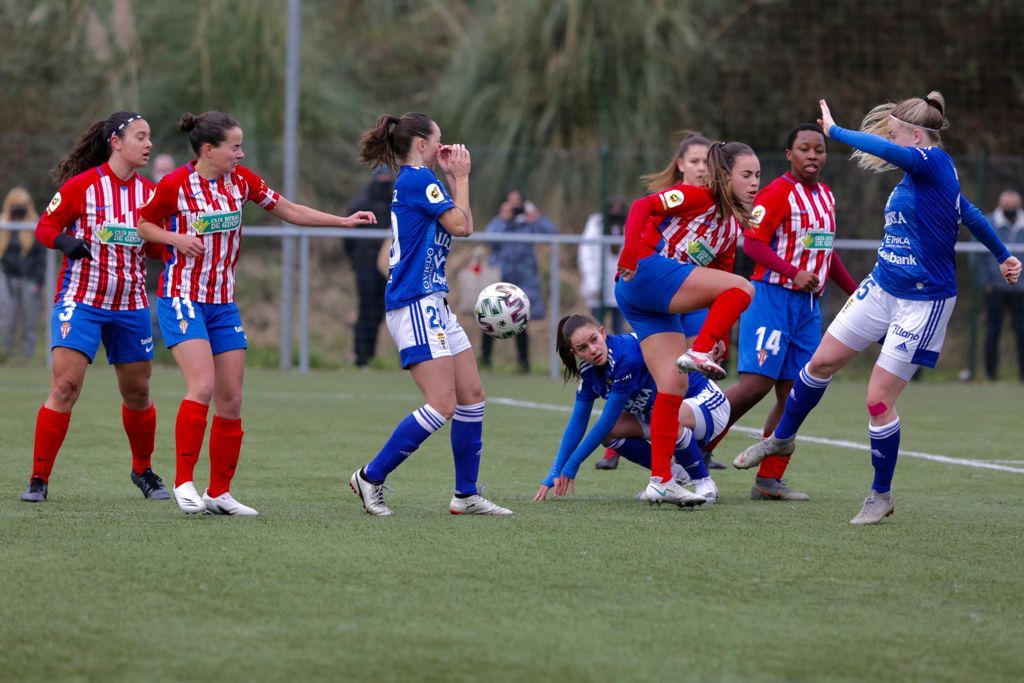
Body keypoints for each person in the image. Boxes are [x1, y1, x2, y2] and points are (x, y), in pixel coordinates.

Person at [735, 94, 1022, 525]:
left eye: (895, 130)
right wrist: (1003, 255)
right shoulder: (919, 178)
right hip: (882, 287)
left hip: (922, 301)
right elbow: (970, 212)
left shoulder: (933, 161)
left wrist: (834, 132)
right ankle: (781, 439)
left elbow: (895, 157)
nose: (889, 136)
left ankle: (880, 495)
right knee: (818, 365)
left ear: (917, 136)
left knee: (876, 401)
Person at [137, 111, 376, 517]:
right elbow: (143, 224)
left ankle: (219, 492)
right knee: (204, 386)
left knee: (232, 399)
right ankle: (183, 483)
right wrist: (175, 237)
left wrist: (343, 220)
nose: (241, 153)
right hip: (181, 297)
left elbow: (290, 210)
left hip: (223, 302)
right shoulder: (176, 184)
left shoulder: (242, 181)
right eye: (234, 146)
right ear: (209, 150)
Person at [348, 111, 512, 516]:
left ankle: (466, 494)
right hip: (415, 301)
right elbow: (460, 225)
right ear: (421, 144)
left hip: (433, 301)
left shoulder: (426, 182)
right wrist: (463, 178)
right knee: (442, 404)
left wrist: (457, 181)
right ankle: (370, 477)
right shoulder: (418, 179)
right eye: (440, 142)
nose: (447, 149)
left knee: (472, 397)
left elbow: (465, 223)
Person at [702, 123, 859, 501]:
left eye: (818, 149)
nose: (812, 155)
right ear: (789, 154)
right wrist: (791, 272)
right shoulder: (775, 194)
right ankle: (698, 451)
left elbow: (826, 253)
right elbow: (752, 244)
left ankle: (769, 480)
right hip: (771, 299)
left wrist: (856, 293)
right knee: (755, 385)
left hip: (807, 309)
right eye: (804, 149)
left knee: (795, 397)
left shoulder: (826, 196)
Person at [20, 111, 168, 503]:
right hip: (81, 301)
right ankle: (38, 478)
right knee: (65, 386)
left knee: (138, 392)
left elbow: (153, 246)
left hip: (131, 304)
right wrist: (65, 242)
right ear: (116, 142)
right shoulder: (81, 186)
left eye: (150, 137)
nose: (149, 144)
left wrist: (173, 243)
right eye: (141, 136)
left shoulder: (151, 193)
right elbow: (45, 228)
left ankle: (143, 471)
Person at [615, 141, 758, 505]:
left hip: (652, 304)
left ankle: (661, 480)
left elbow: (718, 277)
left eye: (757, 174)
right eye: (746, 174)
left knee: (674, 385)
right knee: (745, 287)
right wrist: (631, 251)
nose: (755, 182)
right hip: (644, 274)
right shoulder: (697, 197)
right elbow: (641, 206)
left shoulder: (731, 226)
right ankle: (697, 351)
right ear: (724, 176)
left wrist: (720, 334)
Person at [534, 314, 728, 505]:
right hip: (662, 416)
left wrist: (573, 464)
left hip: (708, 403)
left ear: (602, 332)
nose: (592, 350)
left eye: (594, 340)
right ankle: (672, 476)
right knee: (610, 434)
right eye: (582, 348)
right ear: (575, 353)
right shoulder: (589, 370)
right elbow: (578, 422)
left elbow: (607, 419)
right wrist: (555, 472)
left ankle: (704, 482)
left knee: (667, 420)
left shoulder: (626, 357)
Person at [480, 189, 557, 373]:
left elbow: (552, 234)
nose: (514, 207)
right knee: (490, 317)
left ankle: (524, 363)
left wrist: (537, 218)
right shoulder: (500, 222)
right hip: (500, 278)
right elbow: (489, 240)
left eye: (518, 202)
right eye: (511, 202)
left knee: (521, 320)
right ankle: (485, 360)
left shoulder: (527, 223)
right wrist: (502, 218)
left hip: (524, 278)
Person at [346, 167, 394, 367]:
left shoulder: (360, 203)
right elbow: (349, 240)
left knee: (373, 312)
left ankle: (365, 357)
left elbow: (348, 242)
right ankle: (363, 357)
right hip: (373, 268)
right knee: (369, 312)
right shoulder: (393, 205)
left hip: (379, 268)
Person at [979, 189, 1024, 380]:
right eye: (1007, 207)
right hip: (995, 289)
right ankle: (991, 374)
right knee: (993, 331)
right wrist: (987, 282)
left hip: (1020, 290)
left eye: (1013, 207)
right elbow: (977, 257)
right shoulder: (987, 222)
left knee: (1021, 331)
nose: (1010, 210)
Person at [1, 187, 46, 360]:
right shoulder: (3, 225)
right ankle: (5, 355)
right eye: (16, 205)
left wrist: (39, 280)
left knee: (30, 320)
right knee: (7, 319)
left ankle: (27, 357)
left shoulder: (36, 224)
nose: (19, 208)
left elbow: (42, 257)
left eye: (22, 205)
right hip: (7, 278)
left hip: (30, 279)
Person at [580, 198, 627, 336]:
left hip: (620, 285)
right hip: (600, 285)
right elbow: (588, 255)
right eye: (613, 208)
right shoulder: (596, 224)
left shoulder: (627, 225)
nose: (616, 212)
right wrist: (593, 284)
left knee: (619, 329)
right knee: (596, 329)